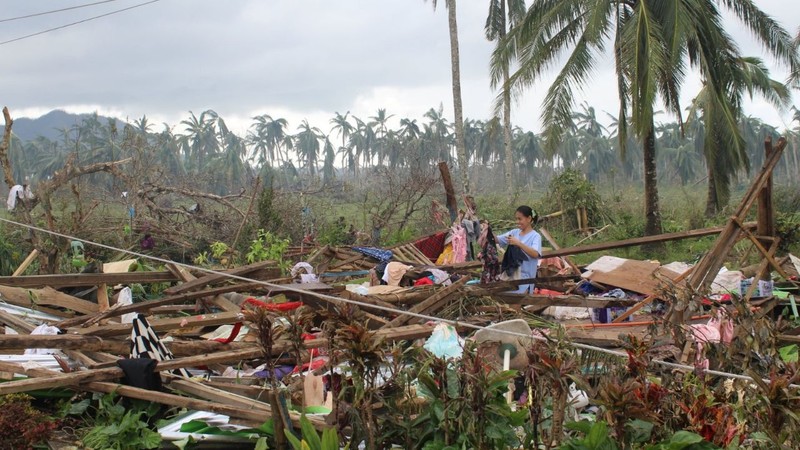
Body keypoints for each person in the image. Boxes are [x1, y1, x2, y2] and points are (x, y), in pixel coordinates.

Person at [496, 206, 542, 294]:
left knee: (515, 305)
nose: (517, 222)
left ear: (529, 219)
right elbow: (498, 240)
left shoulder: (535, 236)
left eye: (520, 219)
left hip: (525, 281)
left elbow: (535, 254)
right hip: (511, 279)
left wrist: (518, 243)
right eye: (516, 219)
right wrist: (487, 231)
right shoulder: (514, 233)